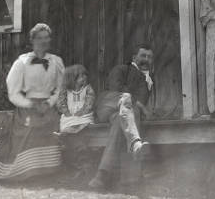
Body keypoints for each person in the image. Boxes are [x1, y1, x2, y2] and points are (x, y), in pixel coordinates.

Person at [0, 23, 65, 180]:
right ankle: (26, 171)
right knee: (30, 128)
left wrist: (49, 103)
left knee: (51, 126)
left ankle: (46, 172)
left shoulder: (56, 61)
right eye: (39, 38)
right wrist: (31, 104)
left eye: (46, 38)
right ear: (32, 40)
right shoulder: (22, 62)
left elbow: (61, 89)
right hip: (27, 107)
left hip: (49, 107)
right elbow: (13, 91)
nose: (44, 41)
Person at [88, 44, 155, 190]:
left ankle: (103, 175)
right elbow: (115, 86)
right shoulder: (121, 69)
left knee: (122, 120)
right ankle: (135, 146)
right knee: (127, 99)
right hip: (107, 104)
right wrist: (138, 102)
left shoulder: (147, 81)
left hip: (121, 114)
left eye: (149, 57)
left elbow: (140, 103)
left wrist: (139, 103)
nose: (146, 59)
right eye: (143, 55)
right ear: (134, 58)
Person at [57, 64, 96, 134]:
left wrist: (82, 111)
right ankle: (70, 133)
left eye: (85, 75)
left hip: (84, 115)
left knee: (85, 123)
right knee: (67, 123)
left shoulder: (87, 89)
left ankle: (78, 132)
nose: (84, 77)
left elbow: (89, 103)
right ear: (73, 79)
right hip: (69, 115)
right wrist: (66, 112)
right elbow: (61, 102)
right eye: (81, 76)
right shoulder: (66, 90)